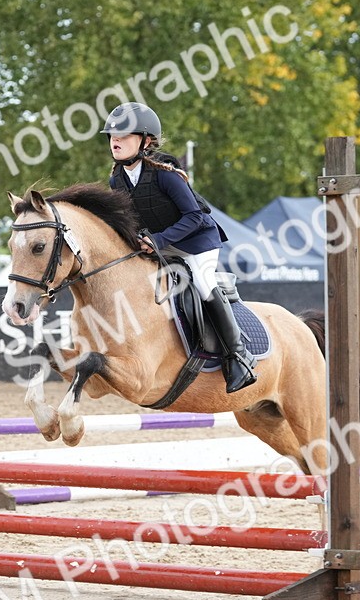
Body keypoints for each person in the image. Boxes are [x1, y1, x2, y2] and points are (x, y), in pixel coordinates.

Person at [101, 102, 256, 393]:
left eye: (123, 135)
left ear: (146, 141)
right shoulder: (117, 180)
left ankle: (237, 356)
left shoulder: (165, 174)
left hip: (198, 243)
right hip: (162, 247)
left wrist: (157, 240)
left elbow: (195, 216)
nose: (115, 140)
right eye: (111, 136)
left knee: (203, 282)